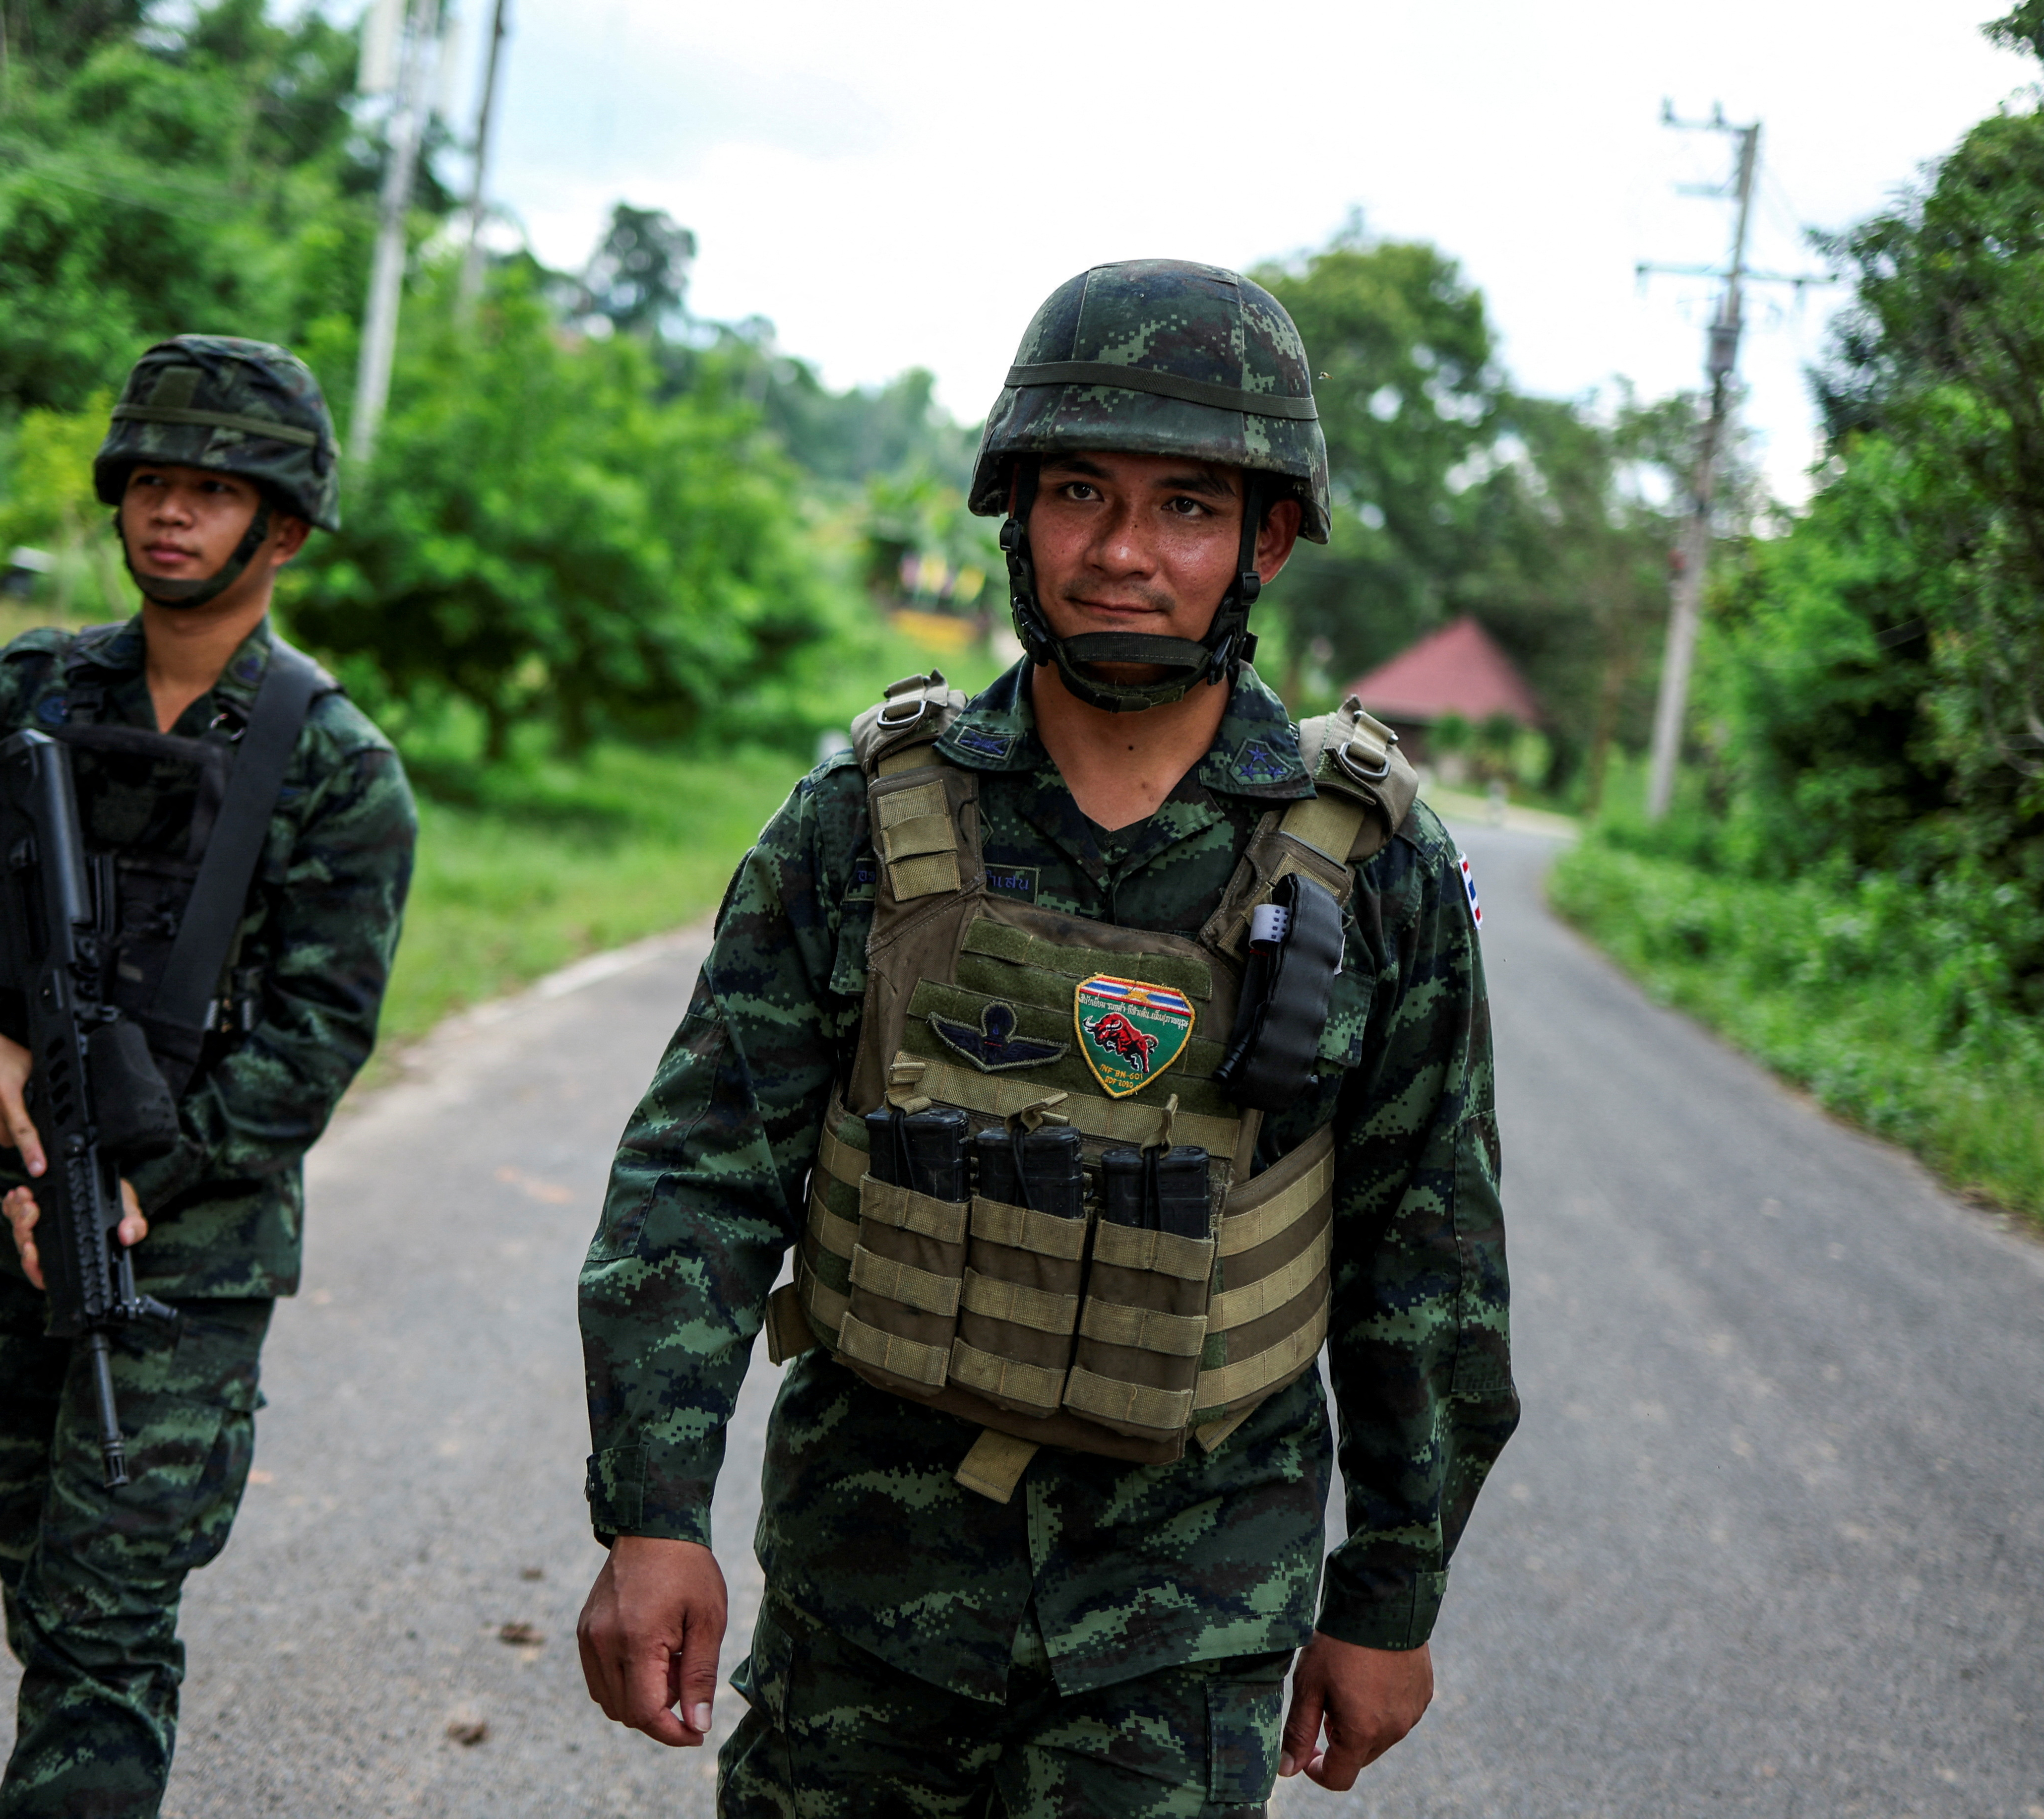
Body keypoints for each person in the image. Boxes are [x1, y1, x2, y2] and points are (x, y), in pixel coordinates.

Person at [574, 261, 1517, 1817]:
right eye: (1080, 491)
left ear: (1264, 538)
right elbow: (698, 1175)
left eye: (1187, 507)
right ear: (1015, 513)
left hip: (1183, 1627)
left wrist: (1389, 1596)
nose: (1124, 552)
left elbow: (1429, 1256)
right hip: (865, 1605)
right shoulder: (860, 824)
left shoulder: (1374, 866)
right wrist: (650, 1509)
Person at [0, 336, 418, 1818]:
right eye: (150, 482)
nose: (169, 515)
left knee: (102, 1629)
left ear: (281, 526)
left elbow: (313, 1043)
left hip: (185, 1264)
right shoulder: (26, 689)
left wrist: (133, 1183)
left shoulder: (338, 767)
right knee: (48, 1600)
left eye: (211, 490)